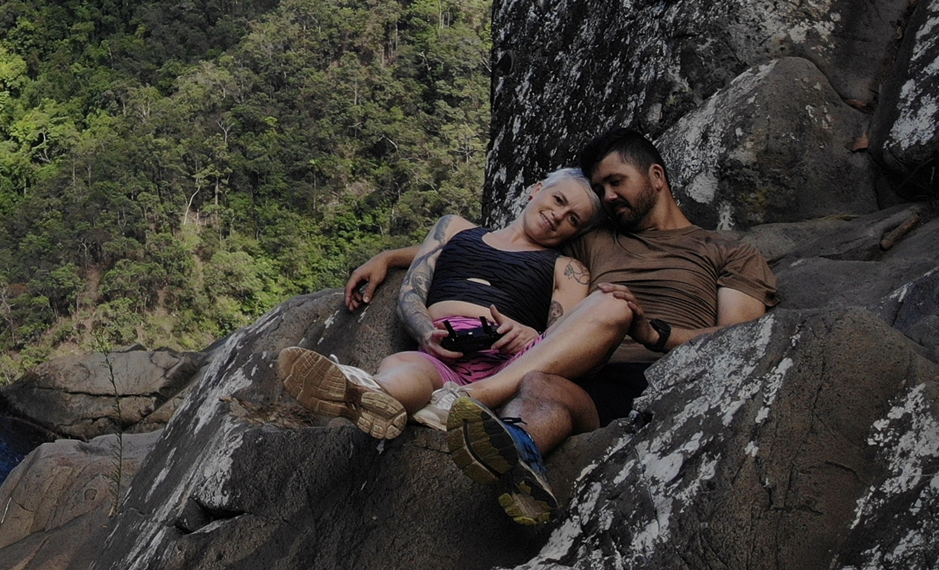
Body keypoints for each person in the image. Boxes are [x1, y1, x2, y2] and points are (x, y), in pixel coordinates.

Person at [335, 128, 776, 527]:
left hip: (669, 372)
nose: (608, 196)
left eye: (616, 181)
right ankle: (515, 452)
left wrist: (652, 333)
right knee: (540, 386)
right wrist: (391, 257)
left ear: (656, 176)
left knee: (611, 303)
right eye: (600, 189)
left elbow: (738, 337)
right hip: (583, 373)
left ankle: (477, 408)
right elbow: (502, 243)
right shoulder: (595, 238)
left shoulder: (728, 250)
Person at [278, 167, 600, 441]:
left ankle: (434, 404)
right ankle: (367, 392)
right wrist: (425, 333)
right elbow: (411, 292)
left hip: (507, 367)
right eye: (558, 200)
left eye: (573, 219)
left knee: (413, 366)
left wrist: (529, 336)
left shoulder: (567, 270)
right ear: (537, 190)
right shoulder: (455, 229)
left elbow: (565, 339)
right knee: (404, 365)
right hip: (441, 352)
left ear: (578, 232)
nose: (558, 216)